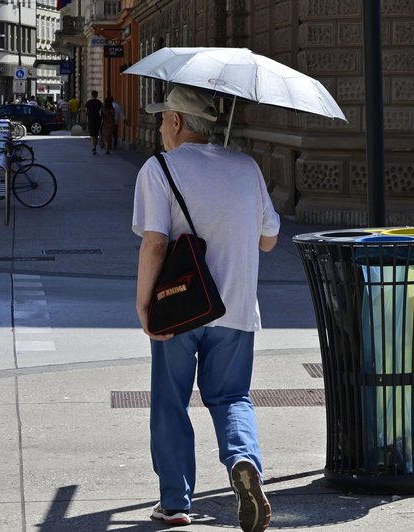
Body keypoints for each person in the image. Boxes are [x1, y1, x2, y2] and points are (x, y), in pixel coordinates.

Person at [132, 85, 280, 531]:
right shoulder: (247, 167)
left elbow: (155, 243)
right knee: (232, 396)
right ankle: (243, 462)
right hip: (235, 308)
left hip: (179, 309)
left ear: (177, 122)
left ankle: (175, 504)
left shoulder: (158, 168)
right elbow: (269, 240)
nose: (160, 127)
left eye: (163, 119)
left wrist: (144, 305)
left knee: (170, 402)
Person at [85, 90, 103, 155]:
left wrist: (88, 116)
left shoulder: (89, 102)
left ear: (91, 95)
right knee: (96, 134)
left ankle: (93, 147)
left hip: (91, 119)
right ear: (97, 95)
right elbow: (102, 111)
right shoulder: (99, 102)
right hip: (98, 119)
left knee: (92, 135)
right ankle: (95, 147)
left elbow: (86, 111)